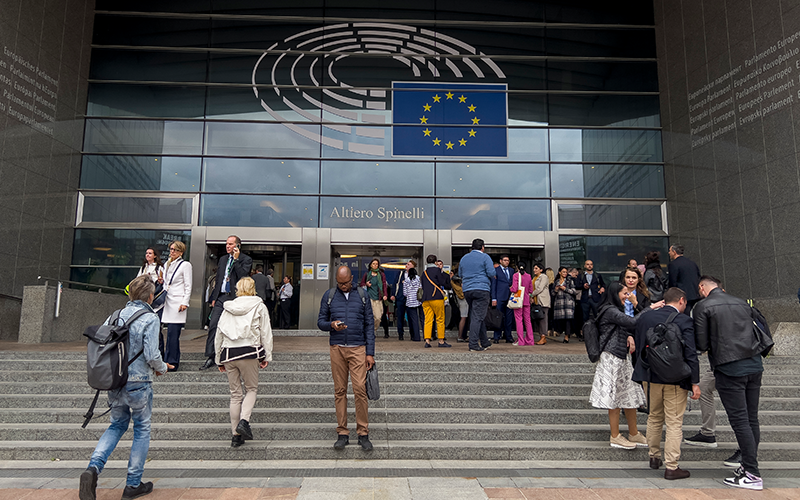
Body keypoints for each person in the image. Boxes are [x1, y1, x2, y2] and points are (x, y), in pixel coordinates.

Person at [79, 275, 173, 500]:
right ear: (150, 296)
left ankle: (93, 468)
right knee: (141, 429)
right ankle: (132, 484)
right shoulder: (150, 317)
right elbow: (151, 354)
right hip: (139, 381)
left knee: (116, 425)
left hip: (115, 379)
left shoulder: (114, 316)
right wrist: (163, 367)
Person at [693, 275, 765, 490]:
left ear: (702, 287)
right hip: (754, 365)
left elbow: (702, 343)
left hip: (729, 367)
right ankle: (747, 465)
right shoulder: (742, 302)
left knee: (740, 421)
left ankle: (752, 473)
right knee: (751, 419)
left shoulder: (703, 306)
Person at [632, 287, 701, 479]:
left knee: (654, 416)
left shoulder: (646, 318)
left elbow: (639, 348)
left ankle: (654, 456)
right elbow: (690, 354)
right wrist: (695, 381)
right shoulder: (684, 320)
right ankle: (672, 466)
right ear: (681, 300)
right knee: (674, 422)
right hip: (676, 378)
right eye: (685, 303)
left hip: (651, 376)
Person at [589, 281, 660, 450]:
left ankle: (633, 433)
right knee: (615, 398)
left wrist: (629, 336)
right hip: (611, 357)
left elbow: (627, 325)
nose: (627, 296)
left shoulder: (613, 309)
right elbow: (633, 322)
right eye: (624, 293)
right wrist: (650, 308)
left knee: (629, 395)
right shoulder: (610, 310)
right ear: (615, 293)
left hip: (621, 356)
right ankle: (615, 436)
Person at [318, 265, 375, 452]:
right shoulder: (329, 296)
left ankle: (363, 432)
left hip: (358, 348)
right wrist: (332, 325)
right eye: (340, 283)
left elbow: (369, 325)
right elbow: (320, 322)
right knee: (340, 390)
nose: (344, 286)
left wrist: (370, 353)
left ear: (352, 278)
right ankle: (342, 432)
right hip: (337, 348)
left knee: (360, 389)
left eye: (347, 282)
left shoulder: (363, 296)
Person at [215, 277, 272, 448]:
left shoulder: (228, 307)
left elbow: (219, 333)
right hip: (249, 351)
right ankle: (244, 421)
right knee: (251, 389)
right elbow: (265, 332)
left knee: (235, 394)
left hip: (229, 353)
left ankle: (235, 435)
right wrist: (266, 356)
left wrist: (218, 358)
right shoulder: (259, 306)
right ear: (253, 288)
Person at [203, 236, 253, 371]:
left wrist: (236, 260)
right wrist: (214, 297)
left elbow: (243, 276)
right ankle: (211, 356)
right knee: (213, 324)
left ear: (238, 246)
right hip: (221, 297)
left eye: (231, 244)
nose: (228, 246)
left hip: (235, 298)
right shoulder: (223, 259)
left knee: (233, 328)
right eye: (226, 244)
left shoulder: (245, 259)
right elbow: (219, 279)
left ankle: (232, 355)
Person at [160, 241, 192, 372]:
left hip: (177, 302)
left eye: (174, 250)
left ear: (181, 252)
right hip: (166, 300)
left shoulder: (185, 265)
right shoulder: (167, 264)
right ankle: (162, 358)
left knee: (173, 334)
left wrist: (185, 302)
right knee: (160, 331)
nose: (171, 252)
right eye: (171, 249)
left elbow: (188, 284)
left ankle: (172, 361)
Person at [458, 238, 495, 352]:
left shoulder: (464, 258)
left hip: (468, 290)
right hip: (481, 289)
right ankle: (473, 344)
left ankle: (484, 342)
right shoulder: (485, 257)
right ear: (482, 247)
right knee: (478, 317)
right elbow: (491, 272)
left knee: (477, 315)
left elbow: (460, 273)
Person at [421, 254, 451, 348]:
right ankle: (441, 341)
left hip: (426, 299)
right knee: (440, 319)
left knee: (428, 320)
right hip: (436, 297)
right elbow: (442, 282)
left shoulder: (424, 273)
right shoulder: (437, 271)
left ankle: (427, 341)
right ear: (435, 262)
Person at [359, 258, 389, 337]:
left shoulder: (381, 274)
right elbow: (361, 284)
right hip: (369, 298)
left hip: (378, 298)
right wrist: (366, 284)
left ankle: (372, 329)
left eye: (376, 264)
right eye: (373, 264)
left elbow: (384, 285)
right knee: (369, 316)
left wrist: (385, 295)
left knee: (378, 317)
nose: (375, 265)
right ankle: (370, 332)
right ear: (370, 265)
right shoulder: (367, 274)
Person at [667, 244, 701, 314]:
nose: (669, 253)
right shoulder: (692, 263)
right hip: (694, 293)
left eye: (670, 251)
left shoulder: (673, 264)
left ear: (674, 252)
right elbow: (698, 277)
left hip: (682, 295)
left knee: (684, 315)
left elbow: (673, 281)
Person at [491, 254, 515, 344]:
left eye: (508, 260)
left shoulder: (512, 271)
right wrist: (493, 298)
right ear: (500, 261)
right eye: (505, 260)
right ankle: (497, 336)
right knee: (498, 317)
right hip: (499, 297)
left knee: (509, 318)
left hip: (510, 297)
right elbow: (493, 285)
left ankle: (508, 336)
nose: (507, 262)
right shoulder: (495, 270)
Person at [390, 260, 415, 340]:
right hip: (400, 298)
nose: (407, 266)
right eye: (407, 264)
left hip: (410, 299)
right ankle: (400, 334)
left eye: (409, 265)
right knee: (400, 316)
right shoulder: (401, 273)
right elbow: (395, 284)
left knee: (411, 317)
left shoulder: (415, 275)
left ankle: (412, 334)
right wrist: (393, 294)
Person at [510, 261, 534, 346]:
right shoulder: (528, 276)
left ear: (517, 267)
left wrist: (510, 289)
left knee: (519, 320)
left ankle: (520, 340)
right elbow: (531, 290)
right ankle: (530, 340)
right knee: (528, 320)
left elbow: (515, 288)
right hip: (526, 300)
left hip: (518, 300)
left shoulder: (516, 275)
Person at [551, 267, 577, 343]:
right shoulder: (556, 282)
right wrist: (556, 290)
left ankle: (566, 336)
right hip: (559, 303)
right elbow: (552, 293)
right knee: (560, 320)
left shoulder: (570, 281)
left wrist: (565, 289)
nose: (565, 273)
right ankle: (560, 331)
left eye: (566, 272)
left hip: (568, 303)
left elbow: (574, 292)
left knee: (568, 320)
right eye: (563, 272)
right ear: (559, 272)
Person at [577, 260, 606, 324]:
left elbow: (603, 284)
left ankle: (598, 330)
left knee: (597, 315)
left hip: (595, 298)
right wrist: (583, 286)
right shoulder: (580, 276)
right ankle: (585, 331)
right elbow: (576, 286)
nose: (589, 266)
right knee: (584, 317)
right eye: (588, 264)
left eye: (591, 264)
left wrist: (602, 288)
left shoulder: (597, 275)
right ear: (585, 266)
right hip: (585, 298)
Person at [529, 263, 551, 345]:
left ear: (541, 270)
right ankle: (541, 336)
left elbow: (540, 288)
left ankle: (543, 336)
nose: (534, 270)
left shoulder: (544, 277)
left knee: (543, 319)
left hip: (543, 301)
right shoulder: (534, 278)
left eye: (536, 268)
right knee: (538, 319)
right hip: (536, 301)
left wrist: (531, 294)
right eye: (534, 268)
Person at [450, 264, 469, 343]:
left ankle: (462, 335)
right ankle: (460, 336)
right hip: (463, 298)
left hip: (460, 298)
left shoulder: (456, 277)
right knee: (464, 317)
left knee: (464, 317)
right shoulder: (458, 277)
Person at [403, 267, 423, 341]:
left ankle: (416, 337)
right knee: (422, 319)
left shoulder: (406, 281)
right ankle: (425, 336)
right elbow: (421, 288)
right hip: (419, 300)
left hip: (410, 302)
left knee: (414, 320)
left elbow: (404, 293)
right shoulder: (418, 279)